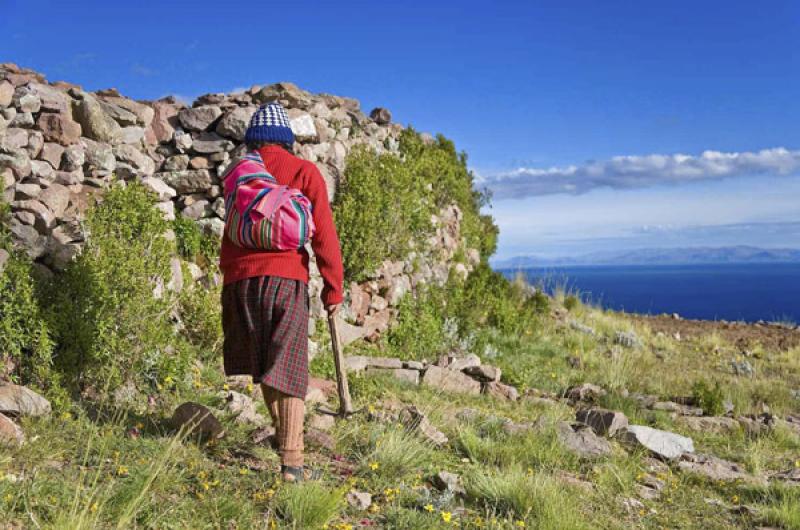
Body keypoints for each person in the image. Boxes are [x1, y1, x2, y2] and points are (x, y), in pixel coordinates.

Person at [219, 101, 344, 482]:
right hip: (285, 280)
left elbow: (229, 231)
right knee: (288, 368)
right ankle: (292, 464)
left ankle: (282, 437)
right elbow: (324, 235)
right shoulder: (304, 172)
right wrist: (333, 289)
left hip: (239, 282)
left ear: (252, 141)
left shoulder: (238, 175)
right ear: (287, 141)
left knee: (265, 366)